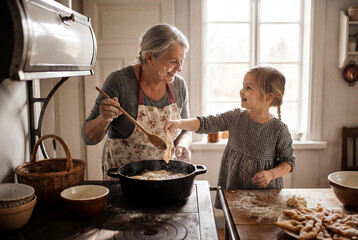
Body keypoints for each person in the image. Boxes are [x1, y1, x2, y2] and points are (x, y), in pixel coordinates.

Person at [163, 66, 295, 207]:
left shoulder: (279, 130)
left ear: (268, 97)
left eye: (249, 88)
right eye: (243, 86)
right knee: (232, 224)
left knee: (262, 227)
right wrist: (179, 123)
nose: (241, 91)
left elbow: (288, 162)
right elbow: (206, 123)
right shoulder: (235, 117)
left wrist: (271, 174)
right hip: (234, 190)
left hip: (266, 196)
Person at [82, 23, 192, 179]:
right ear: (149, 57)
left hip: (164, 178)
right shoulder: (119, 82)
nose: (179, 68)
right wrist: (104, 119)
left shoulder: (178, 85)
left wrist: (182, 145)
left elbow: (186, 129)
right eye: (173, 61)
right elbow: (88, 138)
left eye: (181, 60)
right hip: (124, 182)